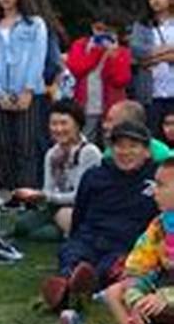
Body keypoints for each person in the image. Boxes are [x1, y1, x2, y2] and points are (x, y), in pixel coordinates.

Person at [40, 120, 159, 312]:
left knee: (112, 266)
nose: (125, 152)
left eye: (133, 147)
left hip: (127, 243)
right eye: (119, 146)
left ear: (146, 151)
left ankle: (79, 288)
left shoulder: (157, 178)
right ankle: (66, 283)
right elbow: (80, 214)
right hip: (92, 237)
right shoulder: (94, 176)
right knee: (73, 253)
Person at [102, 158, 174, 324]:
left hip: (166, 296)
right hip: (161, 294)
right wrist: (136, 300)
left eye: (161, 185)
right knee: (114, 291)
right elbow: (136, 268)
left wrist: (165, 297)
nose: (154, 191)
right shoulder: (160, 225)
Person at [0, 0, 48, 190]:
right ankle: (9, 193)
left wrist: (27, 90)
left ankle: (27, 193)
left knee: (26, 145)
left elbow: (38, 57)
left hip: (28, 93)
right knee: (4, 145)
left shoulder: (34, 24)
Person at [11, 100, 103, 241]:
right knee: (21, 225)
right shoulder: (51, 153)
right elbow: (48, 188)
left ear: (77, 125)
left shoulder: (89, 152)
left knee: (42, 235)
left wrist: (45, 197)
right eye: (54, 124)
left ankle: (67, 230)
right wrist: (35, 196)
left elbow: (80, 196)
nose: (58, 129)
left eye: (64, 123)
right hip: (54, 206)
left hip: (81, 208)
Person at [65, 8, 133, 142]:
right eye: (99, 28)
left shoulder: (122, 51)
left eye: (108, 31)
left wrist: (113, 58)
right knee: (85, 139)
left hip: (112, 106)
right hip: (85, 104)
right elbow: (76, 69)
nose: (102, 34)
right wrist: (96, 52)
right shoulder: (80, 45)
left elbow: (121, 80)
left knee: (113, 141)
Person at [131, 0, 174, 132]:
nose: (155, 0)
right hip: (151, 93)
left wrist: (153, 57)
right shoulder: (142, 25)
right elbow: (138, 51)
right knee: (153, 136)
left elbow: (146, 57)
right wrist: (168, 52)